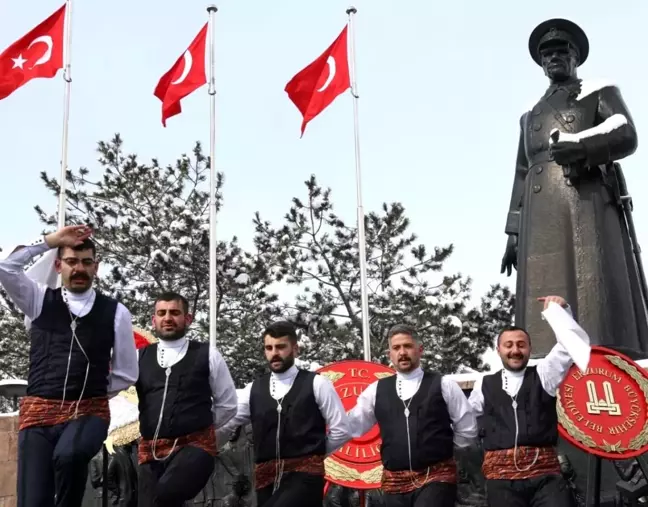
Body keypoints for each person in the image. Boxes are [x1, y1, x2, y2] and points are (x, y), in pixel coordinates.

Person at [500, 18, 648, 358]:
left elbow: (626, 133)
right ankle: (542, 356)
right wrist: (513, 233)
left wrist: (582, 147)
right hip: (539, 212)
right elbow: (522, 172)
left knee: (592, 280)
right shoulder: (530, 115)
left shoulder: (599, 92)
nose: (553, 59)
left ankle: (605, 351)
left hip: (586, 198)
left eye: (561, 52)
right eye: (546, 55)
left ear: (575, 57)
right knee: (543, 288)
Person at [0, 225, 139, 507]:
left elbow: (126, 372)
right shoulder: (38, 300)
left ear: (95, 267)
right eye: (72, 262)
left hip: (88, 411)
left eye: (86, 262)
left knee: (69, 455)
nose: (79, 269)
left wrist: (94, 388)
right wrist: (51, 241)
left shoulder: (116, 312)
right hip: (38, 414)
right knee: (32, 500)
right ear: (58, 265)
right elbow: (6, 268)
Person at [468, 295, 588, 507]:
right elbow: (467, 424)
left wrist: (561, 312)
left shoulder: (544, 374)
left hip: (545, 477)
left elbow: (569, 345)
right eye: (509, 345)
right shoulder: (483, 384)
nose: (515, 350)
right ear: (499, 351)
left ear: (529, 349)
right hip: (501, 480)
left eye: (521, 345)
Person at [217, 321, 351, 507]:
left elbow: (342, 429)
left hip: (305, 475)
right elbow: (227, 420)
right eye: (269, 348)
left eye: (281, 347)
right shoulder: (254, 389)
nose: (274, 353)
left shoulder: (317, 384)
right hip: (266, 478)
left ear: (295, 349)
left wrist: (315, 454)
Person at [347, 324, 478, 507]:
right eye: (396, 348)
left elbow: (467, 430)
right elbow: (354, 425)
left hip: (436, 477)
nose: (402, 352)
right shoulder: (376, 390)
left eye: (407, 346)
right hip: (394, 482)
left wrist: (442, 452)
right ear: (389, 354)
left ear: (420, 349)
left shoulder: (443, 385)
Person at [136, 291, 238, 507]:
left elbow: (228, 404)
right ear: (154, 320)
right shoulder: (140, 357)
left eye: (174, 312)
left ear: (187, 319)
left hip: (195, 448)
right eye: (161, 313)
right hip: (150, 452)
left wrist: (199, 427)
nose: (168, 318)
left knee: (164, 495)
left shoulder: (207, 354)